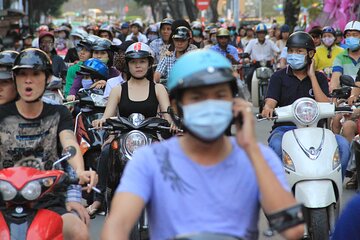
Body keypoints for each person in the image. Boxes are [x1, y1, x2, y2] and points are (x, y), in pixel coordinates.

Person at [101, 49, 304, 240]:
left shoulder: (260, 158)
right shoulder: (150, 160)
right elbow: (117, 226)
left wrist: (250, 148)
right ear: (176, 106)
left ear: (234, 102)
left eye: (220, 95)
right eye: (197, 97)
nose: (209, 104)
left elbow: (292, 228)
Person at [0, 48, 97, 240]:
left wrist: (79, 171)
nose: (28, 80)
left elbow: (69, 142)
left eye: (36, 74)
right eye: (22, 74)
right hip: (4, 201)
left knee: (79, 232)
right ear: (16, 78)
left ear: (47, 78)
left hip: (48, 201)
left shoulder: (59, 113)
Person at [88, 42, 173, 216]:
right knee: (105, 152)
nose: (138, 65)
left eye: (142, 61)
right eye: (134, 62)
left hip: (152, 137)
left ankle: (173, 197)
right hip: (122, 137)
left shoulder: (158, 89)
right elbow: (107, 115)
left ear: (150, 63)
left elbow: (167, 114)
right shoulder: (118, 89)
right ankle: (98, 199)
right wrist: (101, 121)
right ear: (127, 65)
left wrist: (173, 124)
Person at [261, 31, 350, 179]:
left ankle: (335, 190)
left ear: (310, 54)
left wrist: (312, 76)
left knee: (343, 146)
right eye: (290, 51)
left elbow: (324, 104)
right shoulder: (278, 77)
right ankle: (280, 190)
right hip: (284, 129)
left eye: (298, 51)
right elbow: (270, 101)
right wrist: (268, 108)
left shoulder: (320, 77)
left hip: (317, 130)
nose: (293, 54)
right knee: (276, 146)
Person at [329, 20, 360, 188]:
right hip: (346, 99)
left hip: (357, 99)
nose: (352, 38)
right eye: (348, 35)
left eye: (355, 35)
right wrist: (335, 96)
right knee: (339, 122)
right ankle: (351, 168)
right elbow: (335, 79)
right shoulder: (340, 57)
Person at [244, 23, 280, 91]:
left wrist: (277, 54)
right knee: (249, 76)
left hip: (268, 65)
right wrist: (246, 58)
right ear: (256, 34)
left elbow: (277, 50)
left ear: (265, 33)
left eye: (263, 33)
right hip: (255, 65)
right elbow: (246, 52)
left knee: (276, 77)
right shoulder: (252, 42)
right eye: (259, 33)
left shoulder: (270, 42)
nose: (261, 34)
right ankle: (252, 94)